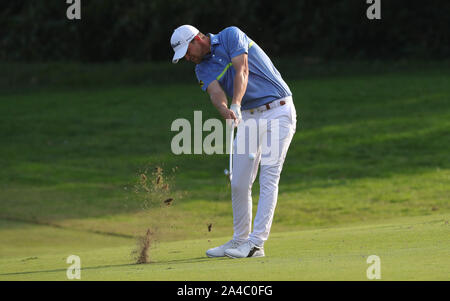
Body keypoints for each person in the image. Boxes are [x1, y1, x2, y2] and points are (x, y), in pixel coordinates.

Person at [170, 25, 297, 258]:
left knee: (269, 176)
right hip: (248, 116)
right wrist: (225, 109)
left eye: (188, 51)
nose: (187, 58)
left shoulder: (231, 35)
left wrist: (236, 102)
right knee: (238, 181)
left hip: (277, 111)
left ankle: (256, 244)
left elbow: (243, 70)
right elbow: (215, 92)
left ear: (197, 38)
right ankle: (240, 240)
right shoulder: (201, 68)